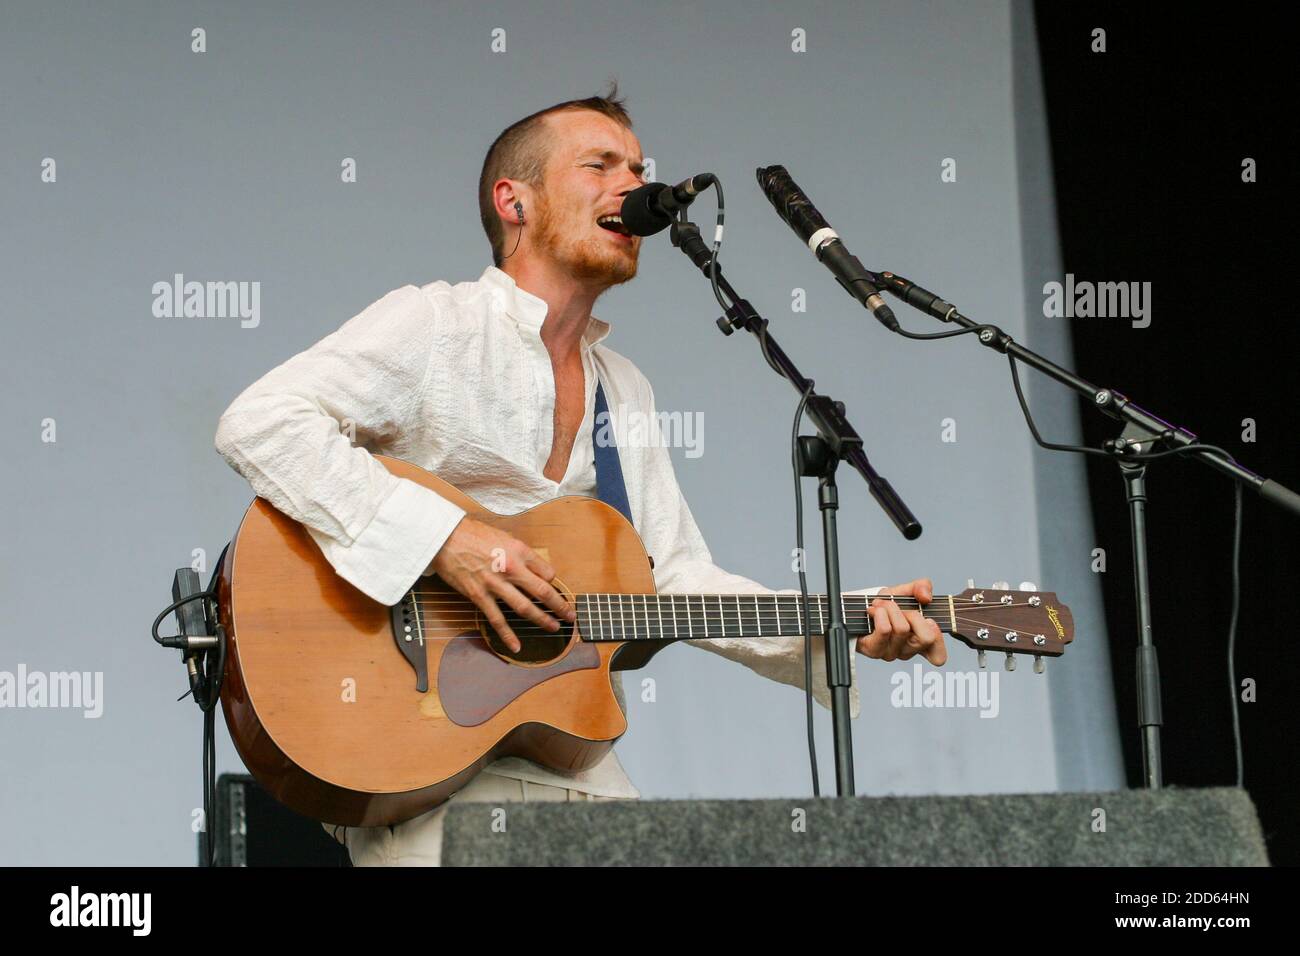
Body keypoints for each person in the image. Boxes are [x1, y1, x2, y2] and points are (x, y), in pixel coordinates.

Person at [213, 83, 947, 866]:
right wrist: (443, 540)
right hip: (421, 755)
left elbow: (676, 583)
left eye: (638, 167)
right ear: (514, 202)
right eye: (599, 164)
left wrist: (844, 619)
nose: (632, 186)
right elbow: (262, 422)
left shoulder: (622, 387)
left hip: (575, 763)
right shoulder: (437, 325)